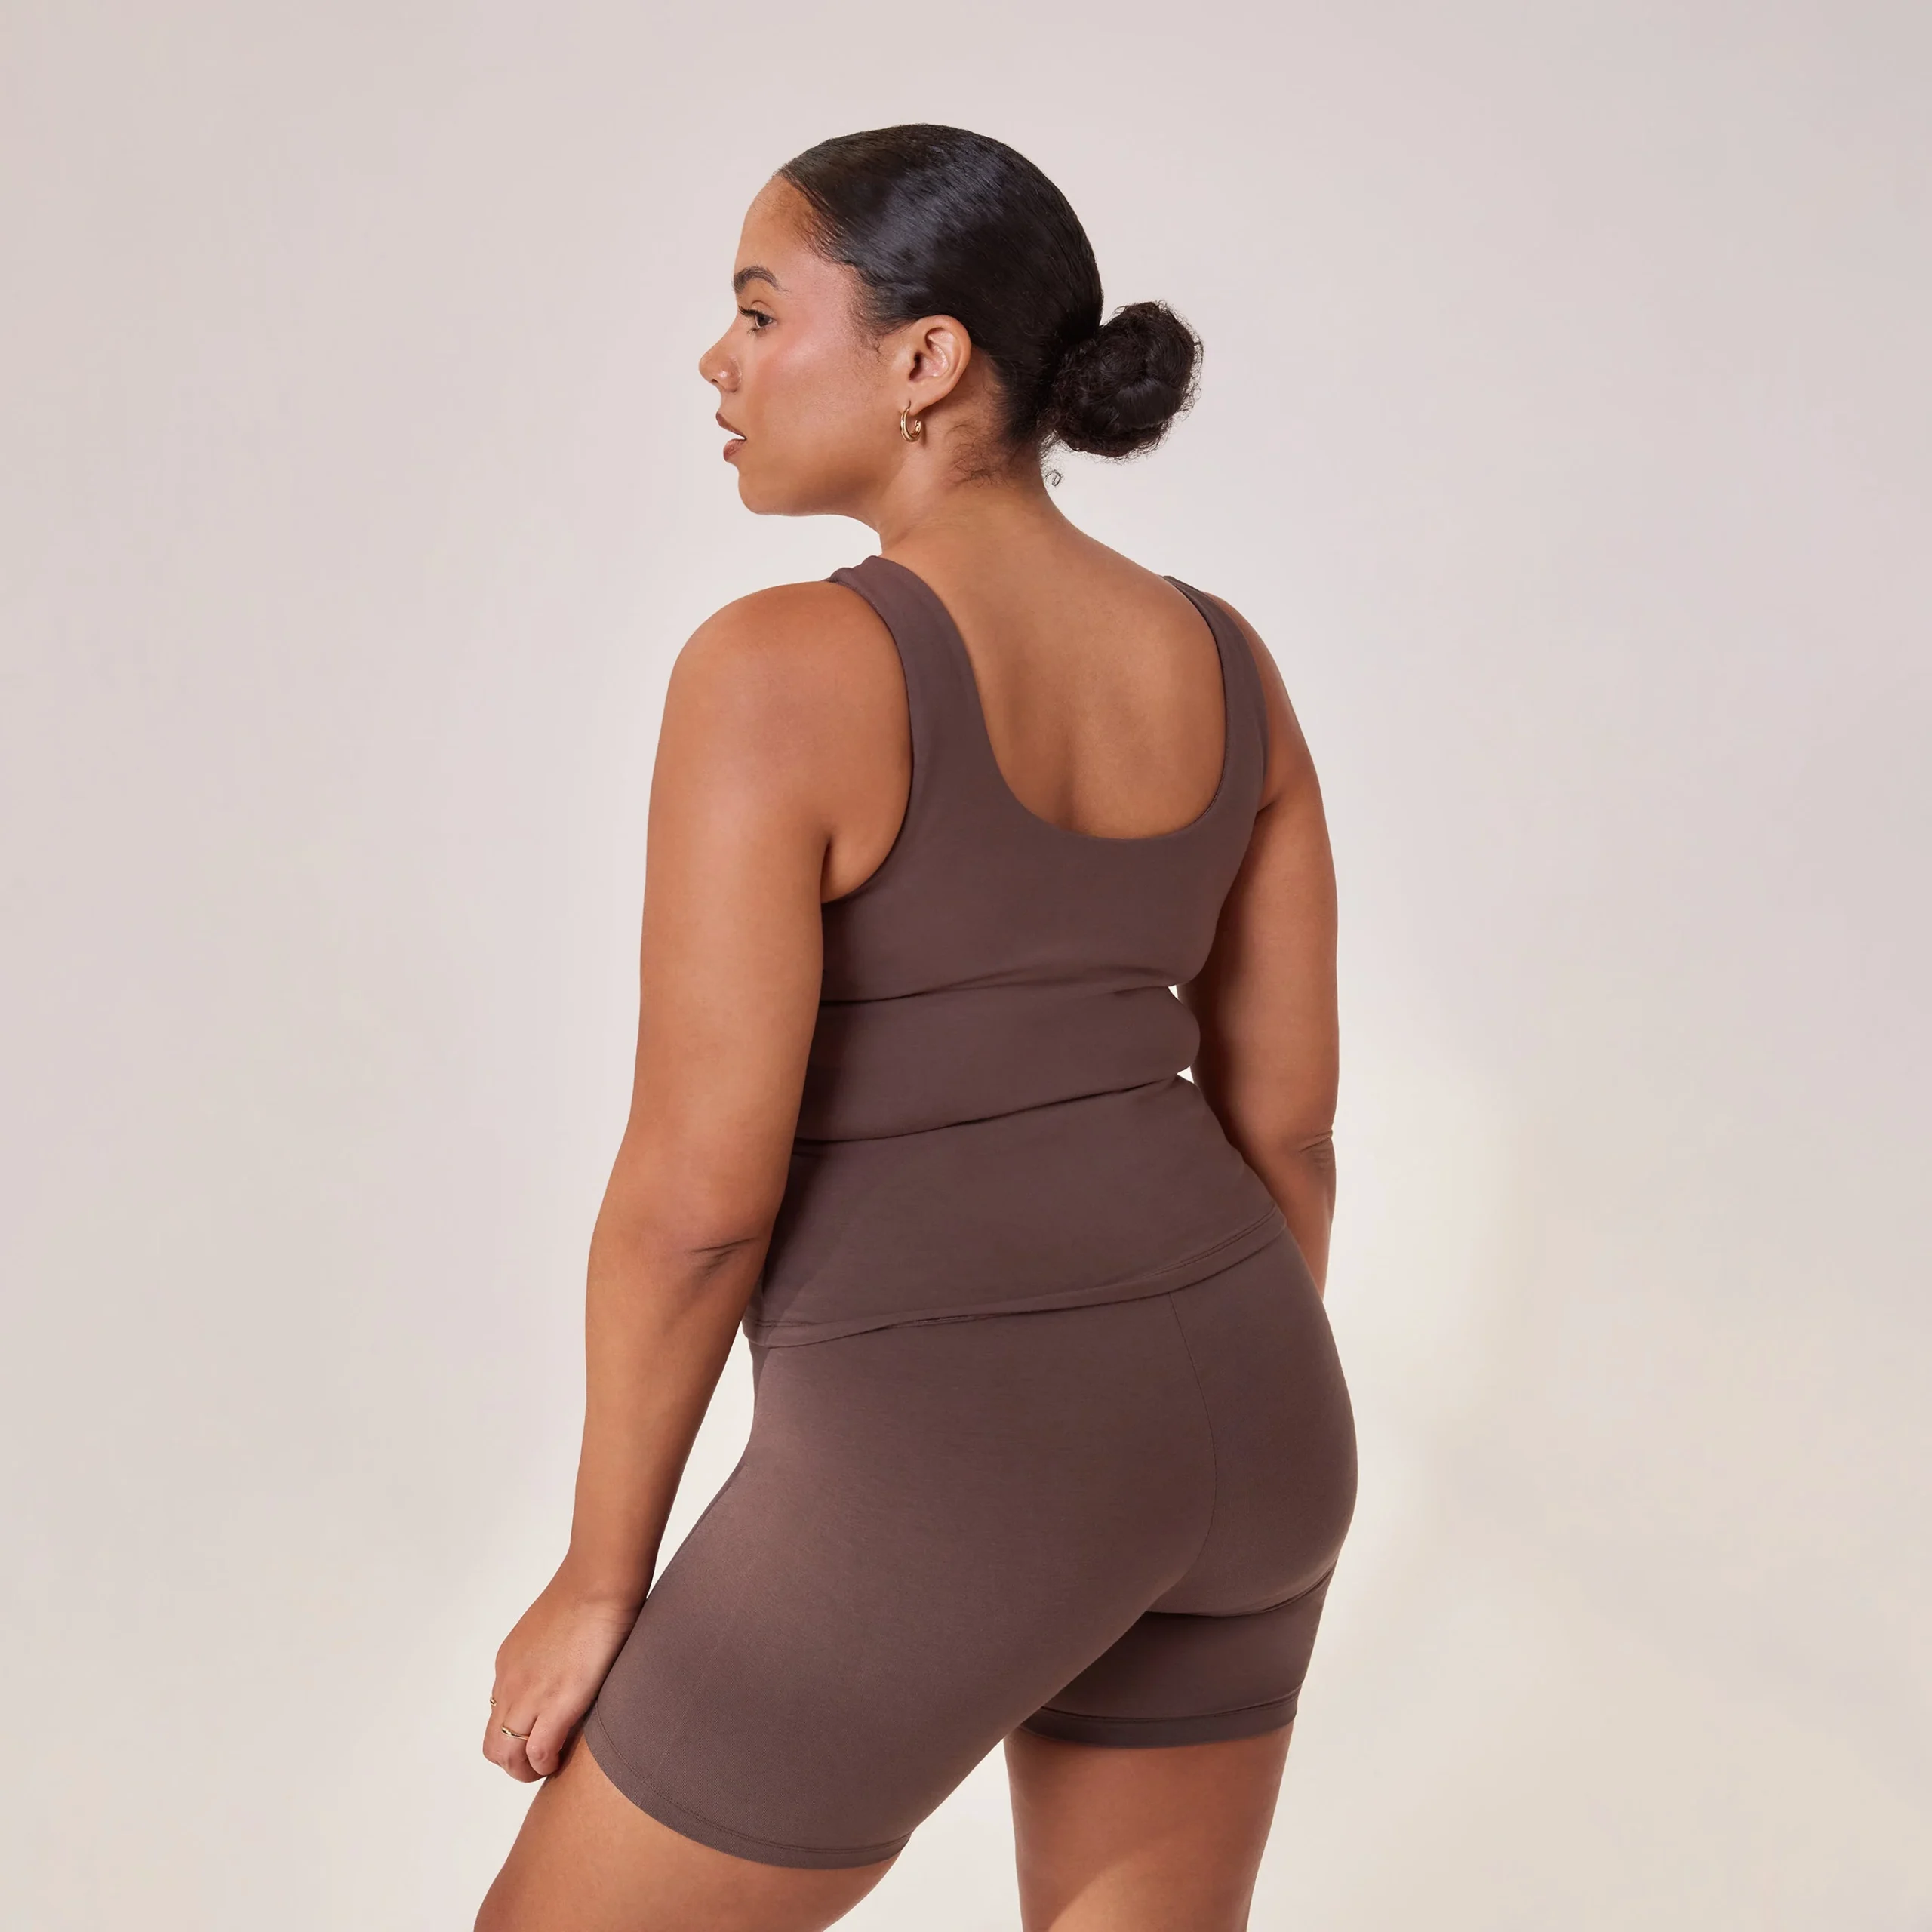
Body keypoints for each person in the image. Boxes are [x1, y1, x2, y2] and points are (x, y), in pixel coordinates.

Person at [474, 123, 1357, 1932]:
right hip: (1259, 1407)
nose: (716, 361)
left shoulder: (778, 668)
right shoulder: (1222, 659)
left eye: (757, 311)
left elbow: (695, 1201)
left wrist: (598, 1574)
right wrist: (1180, 1401)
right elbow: (1286, 1128)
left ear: (924, 357)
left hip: (948, 1456)